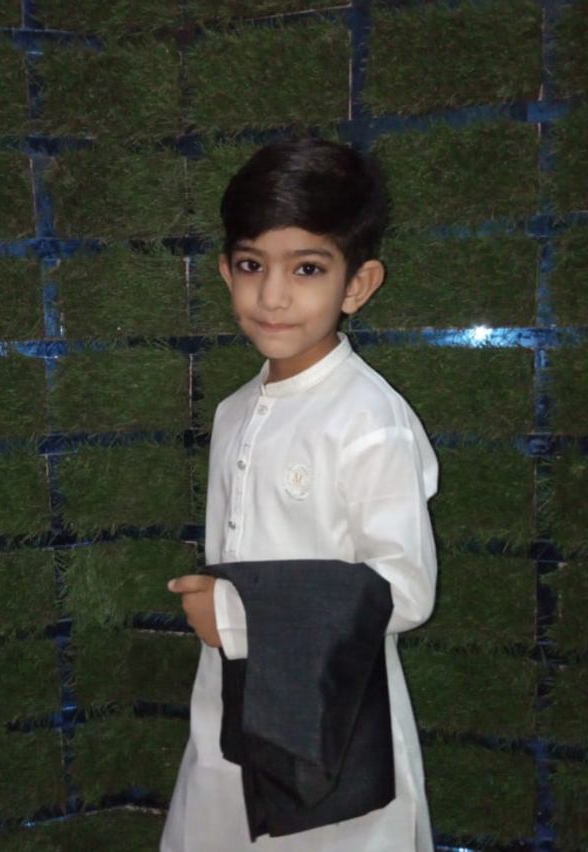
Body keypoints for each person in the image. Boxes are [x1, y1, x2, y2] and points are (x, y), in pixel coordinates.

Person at [161, 137, 439, 852]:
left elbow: (406, 590)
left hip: (333, 731)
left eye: (307, 268)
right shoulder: (233, 412)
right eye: (252, 265)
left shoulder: (369, 420)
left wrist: (236, 613)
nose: (273, 296)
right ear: (226, 270)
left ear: (358, 284)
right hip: (226, 711)